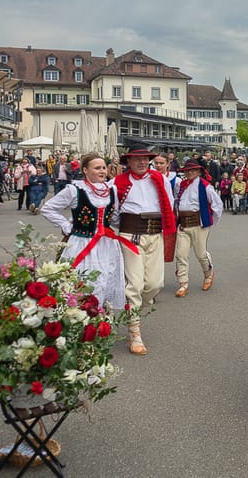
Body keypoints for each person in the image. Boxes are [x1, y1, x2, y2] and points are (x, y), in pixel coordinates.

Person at [42, 153, 137, 309]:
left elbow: (114, 217)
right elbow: (48, 208)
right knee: (83, 279)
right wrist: (66, 225)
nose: (102, 171)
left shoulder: (111, 190)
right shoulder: (74, 190)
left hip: (107, 244)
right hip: (82, 243)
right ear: (85, 170)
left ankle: (102, 315)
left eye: (104, 168)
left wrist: (131, 227)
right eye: (97, 168)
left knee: (106, 278)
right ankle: (81, 315)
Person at [112, 145, 176, 355]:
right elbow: (113, 213)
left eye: (145, 158)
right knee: (135, 285)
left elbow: (169, 204)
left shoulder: (160, 179)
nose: (141, 162)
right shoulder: (117, 182)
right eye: (136, 159)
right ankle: (135, 333)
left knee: (155, 284)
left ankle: (136, 307)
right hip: (131, 235)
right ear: (128, 162)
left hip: (155, 234)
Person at [173, 160, 222, 298]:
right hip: (183, 225)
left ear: (199, 171)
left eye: (193, 170)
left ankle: (208, 274)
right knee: (181, 254)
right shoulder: (180, 185)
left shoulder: (205, 186)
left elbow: (217, 205)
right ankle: (183, 283)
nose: (190, 172)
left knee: (201, 254)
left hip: (199, 224)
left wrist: (210, 221)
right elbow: (176, 202)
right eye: (187, 170)